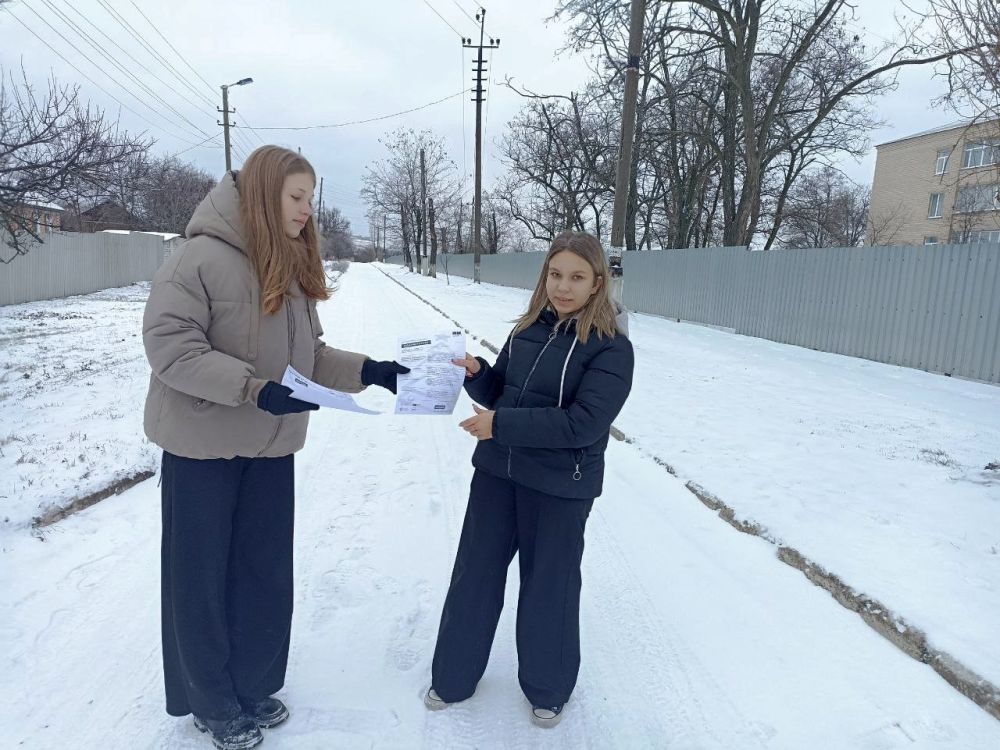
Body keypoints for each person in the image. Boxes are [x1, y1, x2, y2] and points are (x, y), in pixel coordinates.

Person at [142, 145, 407, 750]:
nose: (307, 210)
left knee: (262, 572)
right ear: (264, 194)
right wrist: (253, 388)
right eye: (297, 197)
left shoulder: (288, 264)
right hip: (202, 448)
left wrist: (371, 371)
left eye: (311, 198)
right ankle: (211, 701)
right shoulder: (198, 257)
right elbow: (171, 348)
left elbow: (311, 355)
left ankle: (252, 684)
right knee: (201, 580)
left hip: (268, 449)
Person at [425, 231, 635, 728]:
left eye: (577, 277)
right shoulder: (527, 330)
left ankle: (548, 688)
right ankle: (453, 677)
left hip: (561, 486)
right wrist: (478, 373)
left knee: (549, 587)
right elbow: (504, 391)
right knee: (474, 575)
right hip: (498, 474)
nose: (563, 287)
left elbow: (583, 423)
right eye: (555, 274)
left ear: (597, 283)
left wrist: (499, 425)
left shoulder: (612, 349)